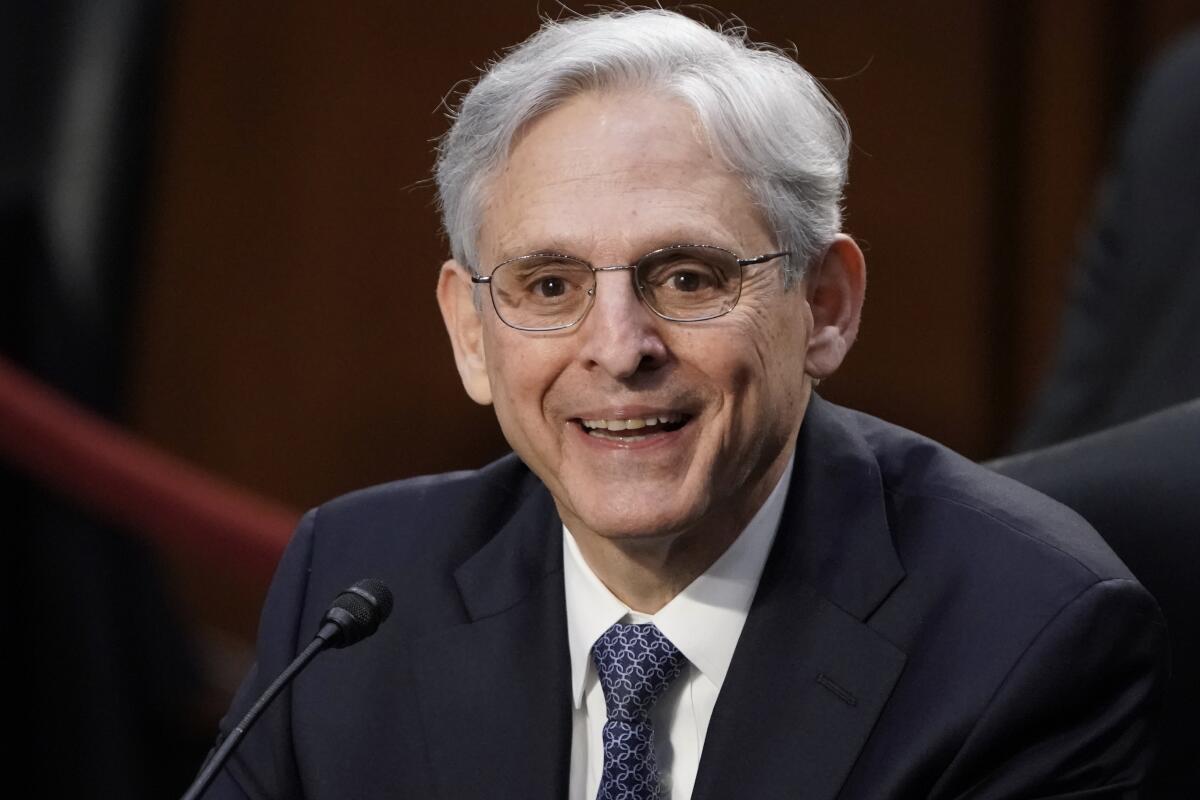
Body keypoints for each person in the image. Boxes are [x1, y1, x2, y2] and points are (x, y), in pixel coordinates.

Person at [203, 10, 1166, 799]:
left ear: (824, 307)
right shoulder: (359, 585)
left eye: (688, 277)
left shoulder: (1025, 637)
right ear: (469, 331)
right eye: (549, 287)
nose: (619, 349)